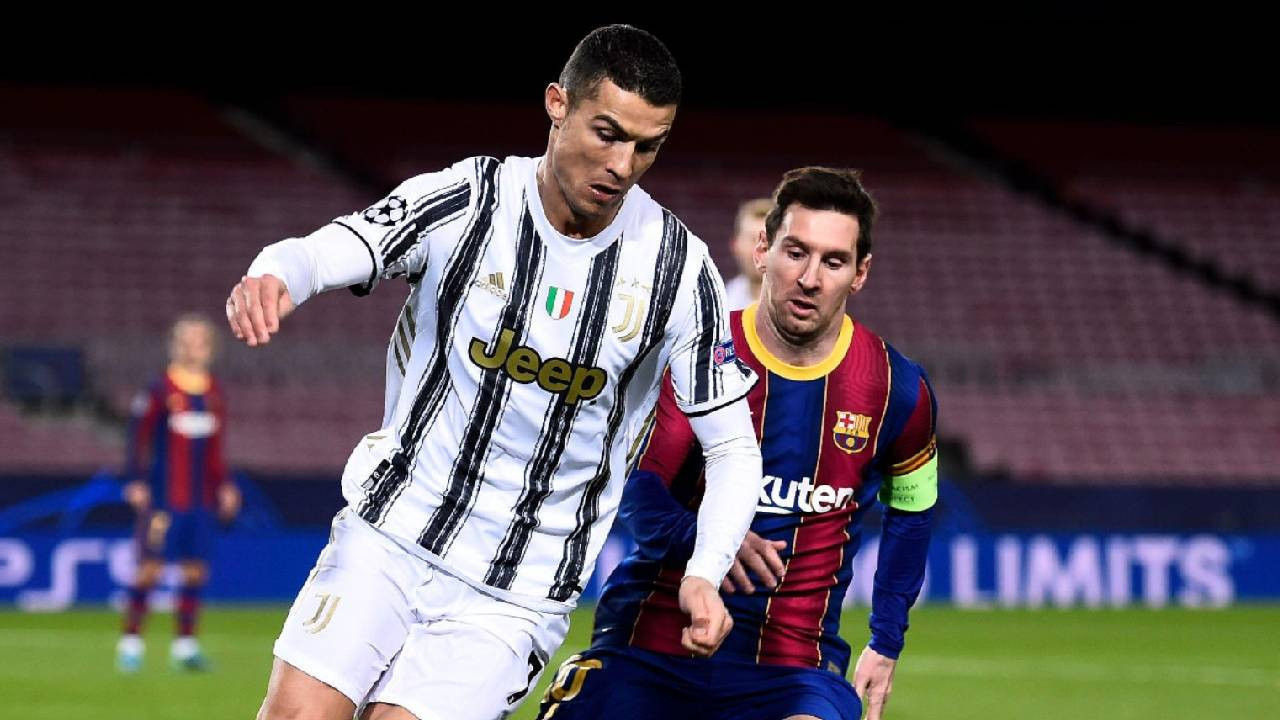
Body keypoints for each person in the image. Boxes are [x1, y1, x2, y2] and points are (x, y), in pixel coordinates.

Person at [225, 24, 762, 720]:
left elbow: (731, 445)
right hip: (390, 531)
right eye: (607, 133)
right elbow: (335, 245)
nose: (622, 165)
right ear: (557, 103)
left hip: (519, 589)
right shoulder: (469, 198)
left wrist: (705, 573)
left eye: (646, 146)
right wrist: (275, 273)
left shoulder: (678, 270)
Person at [538, 167, 938, 720]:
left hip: (795, 666)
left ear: (860, 273)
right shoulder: (696, 352)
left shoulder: (898, 388)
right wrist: (712, 541)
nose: (810, 278)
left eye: (833, 262)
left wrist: (886, 639)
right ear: (762, 250)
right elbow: (640, 490)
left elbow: (913, 513)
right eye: (795, 253)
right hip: (652, 643)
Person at [116, 314, 240, 672]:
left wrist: (225, 485)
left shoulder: (214, 392)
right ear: (175, 344)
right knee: (150, 569)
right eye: (187, 339)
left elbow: (216, 448)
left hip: (201, 499)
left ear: (210, 347)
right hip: (164, 498)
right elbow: (137, 438)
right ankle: (131, 643)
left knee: (195, 570)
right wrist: (135, 480)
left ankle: (185, 648)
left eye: (200, 340)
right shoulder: (160, 389)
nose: (193, 346)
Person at [722, 198, 771, 310]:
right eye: (752, 240)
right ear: (735, 245)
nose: (760, 249)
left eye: (767, 241)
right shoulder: (723, 303)